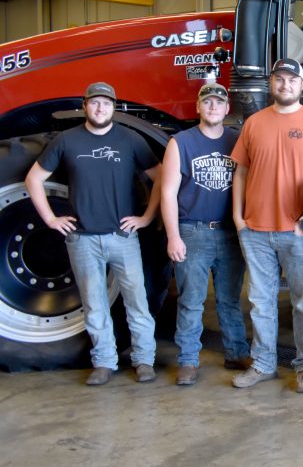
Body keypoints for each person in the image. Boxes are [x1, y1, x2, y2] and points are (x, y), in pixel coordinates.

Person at [25, 82, 162, 386]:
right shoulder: (66, 140)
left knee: (137, 301)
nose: (101, 108)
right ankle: (104, 362)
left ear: (115, 107)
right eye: (95, 103)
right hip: (82, 239)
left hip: (123, 238)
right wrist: (50, 218)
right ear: (85, 105)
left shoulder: (130, 139)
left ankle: (144, 360)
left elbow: (161, 176)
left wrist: (147, 216)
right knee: (94, 302)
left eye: (107, 103)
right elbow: (33, 178)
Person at [230, 58, 303, 393]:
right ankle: (264, 364)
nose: (285, 85)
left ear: (302, 85)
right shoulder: (253, 124)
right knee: (259, 301)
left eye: (292, 80)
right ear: (271, 83)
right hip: (255, 230)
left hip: (297, 231)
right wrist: (239, 218)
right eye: (279, 79)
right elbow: (241, 172)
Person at [161, 83, 251, 386]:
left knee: (229, 299)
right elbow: (168, 191)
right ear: (198, 107)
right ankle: (188, 360)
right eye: (207, 102)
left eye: (219, 103)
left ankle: (236, 352)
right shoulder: (180, 143)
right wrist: (173, 235)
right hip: (193, 231)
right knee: (191, 300)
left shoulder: (237, 142)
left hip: (229, 233)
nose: (213, 107)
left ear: (227, 109)